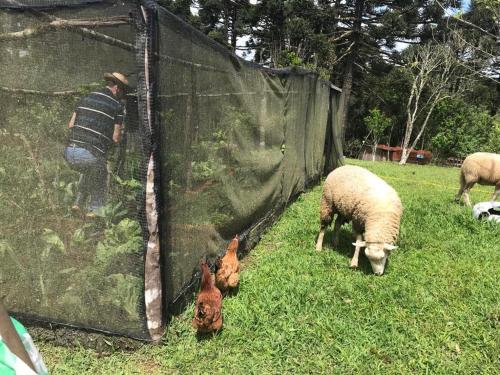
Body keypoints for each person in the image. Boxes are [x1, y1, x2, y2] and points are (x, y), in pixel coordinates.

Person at [64, 72, 129, 218]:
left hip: (69, 152)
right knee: (100, 169)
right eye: (123, 91)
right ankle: (95, 211)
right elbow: (116, 137)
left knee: (90, 168)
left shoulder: (86, 97)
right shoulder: (117, 106)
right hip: (88, 155)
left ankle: (78, 203)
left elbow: (70, 125)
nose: (123, 95)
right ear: (117, 88)